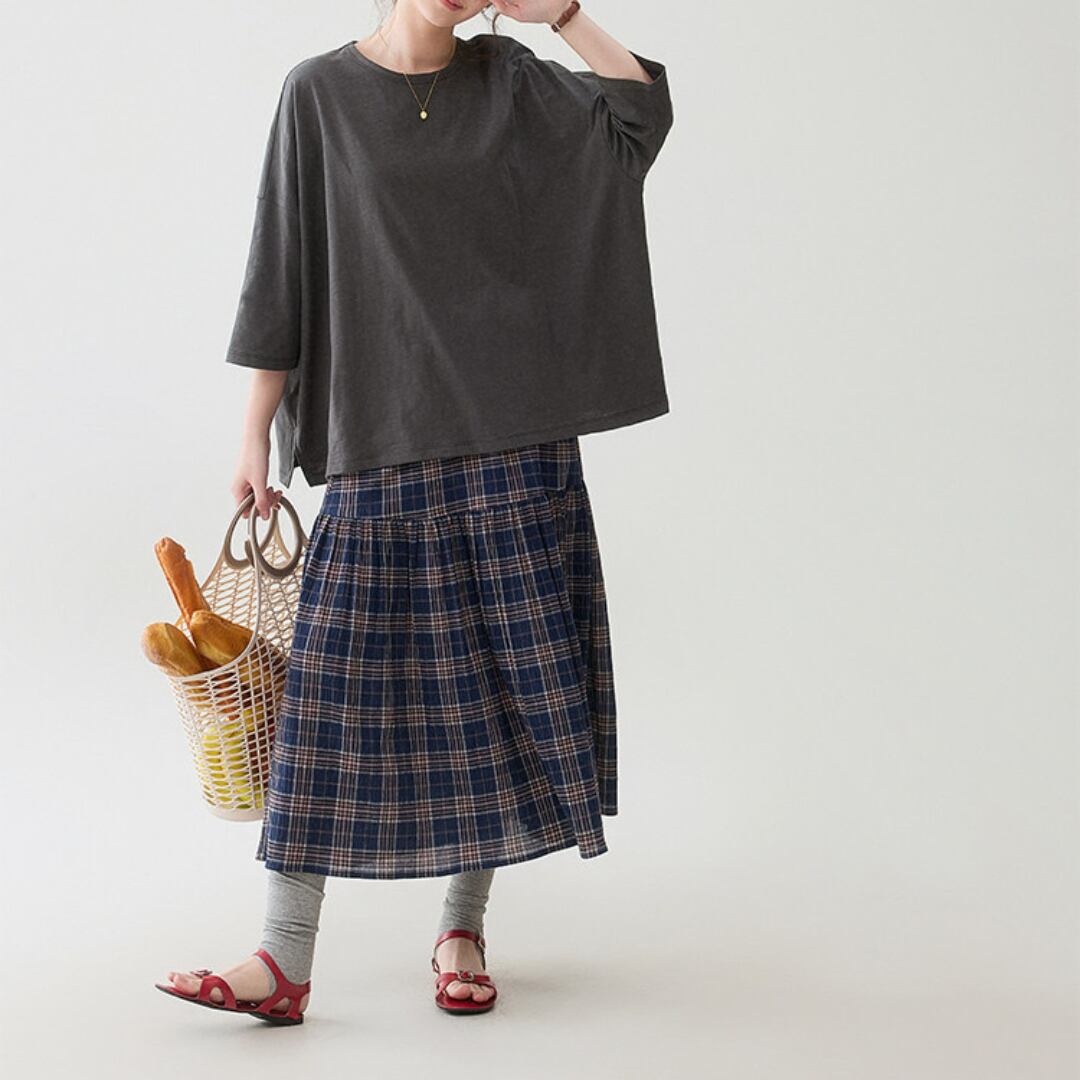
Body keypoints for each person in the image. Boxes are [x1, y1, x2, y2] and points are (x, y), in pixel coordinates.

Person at [156, 0, 673, 1023]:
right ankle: (283, 961)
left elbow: (637, 118)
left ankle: (462, 928)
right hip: (379, 431)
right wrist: (255, 430)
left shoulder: (513, 80)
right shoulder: (319, 93)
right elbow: (280, 269)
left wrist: (564, 14)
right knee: (324, 705)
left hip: (516, 432)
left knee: (494, 696)